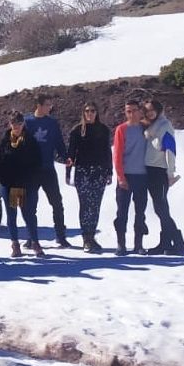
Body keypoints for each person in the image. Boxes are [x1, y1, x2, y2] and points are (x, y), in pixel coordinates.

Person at [24, 93, 71, 247]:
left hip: (48, 169)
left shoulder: (52, 123)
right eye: (47, 105)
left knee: (57, 202)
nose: (50, 107)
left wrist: (65, 157)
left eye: (51, 104)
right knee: (30, 205)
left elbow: (58, 142)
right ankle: (31, 237)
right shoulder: (27, 122)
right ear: (39, 105)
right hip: (31, 170)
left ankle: (61, 236)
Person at [141, 99, 184, 255]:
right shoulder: (151, 127)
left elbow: (170, 149)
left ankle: (179, 243)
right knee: (160, 209)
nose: (149, 113)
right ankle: (166, 243)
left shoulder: (164, 126)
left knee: (162, 209)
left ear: (158, 110)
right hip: (150, 171)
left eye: (152, 109)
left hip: (160, 172)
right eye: (147, 110)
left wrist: (170, 172)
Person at [0, 111, 44, 258]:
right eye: (13, 123)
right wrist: (3, 180)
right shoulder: (4, 141)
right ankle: (15, 244)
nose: (16, 126)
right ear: (9, 124)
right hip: (10, 185)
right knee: (12, 215)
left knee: (28, 214)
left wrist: (33, 183)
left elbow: (37, 164)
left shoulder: (30, 141)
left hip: (26, 184)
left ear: (23, 123)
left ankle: (35, 242)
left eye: (19, 123)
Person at [66, 102, 113, 253]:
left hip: (99, 172)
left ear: (97, 112)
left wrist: (109, 172)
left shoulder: (103, 130)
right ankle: (86, 238)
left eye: (93, 111)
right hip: (83, 172)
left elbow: (107, 152)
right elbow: (71, 153)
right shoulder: (77, 131)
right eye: (87, 111)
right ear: (83, 113)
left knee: (95, 206)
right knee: (85, 206)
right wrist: (68, 173)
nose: (90, 113)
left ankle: (92, 236)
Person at [112, 99, 150, 256]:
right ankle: (121, 245)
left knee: (140, 212)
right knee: (122, 212)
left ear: (140, 111)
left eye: (134, 110)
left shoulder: (146, 128)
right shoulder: (121, 129)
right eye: (128, 111)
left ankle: (138, 244)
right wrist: (121, 177)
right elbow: (117, 155)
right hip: (126, 175)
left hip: (142, 176)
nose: (131, 114)